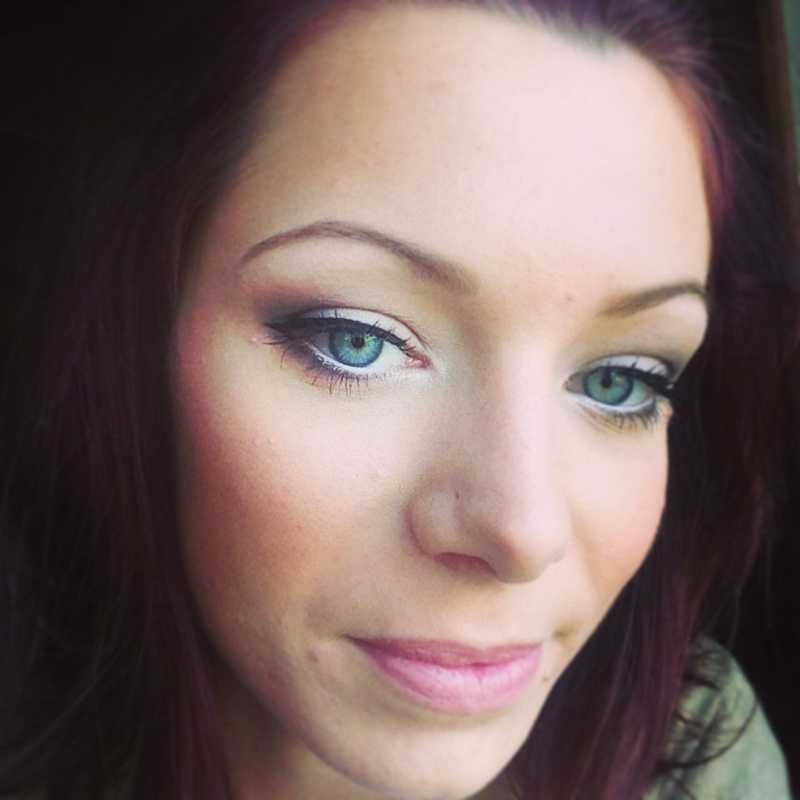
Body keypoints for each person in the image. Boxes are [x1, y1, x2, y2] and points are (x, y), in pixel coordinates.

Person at [0, 0, 796, 798]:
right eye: (357, 341)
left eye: (618, 380)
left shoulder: (693, 752)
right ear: (125, 334)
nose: (521, 532)